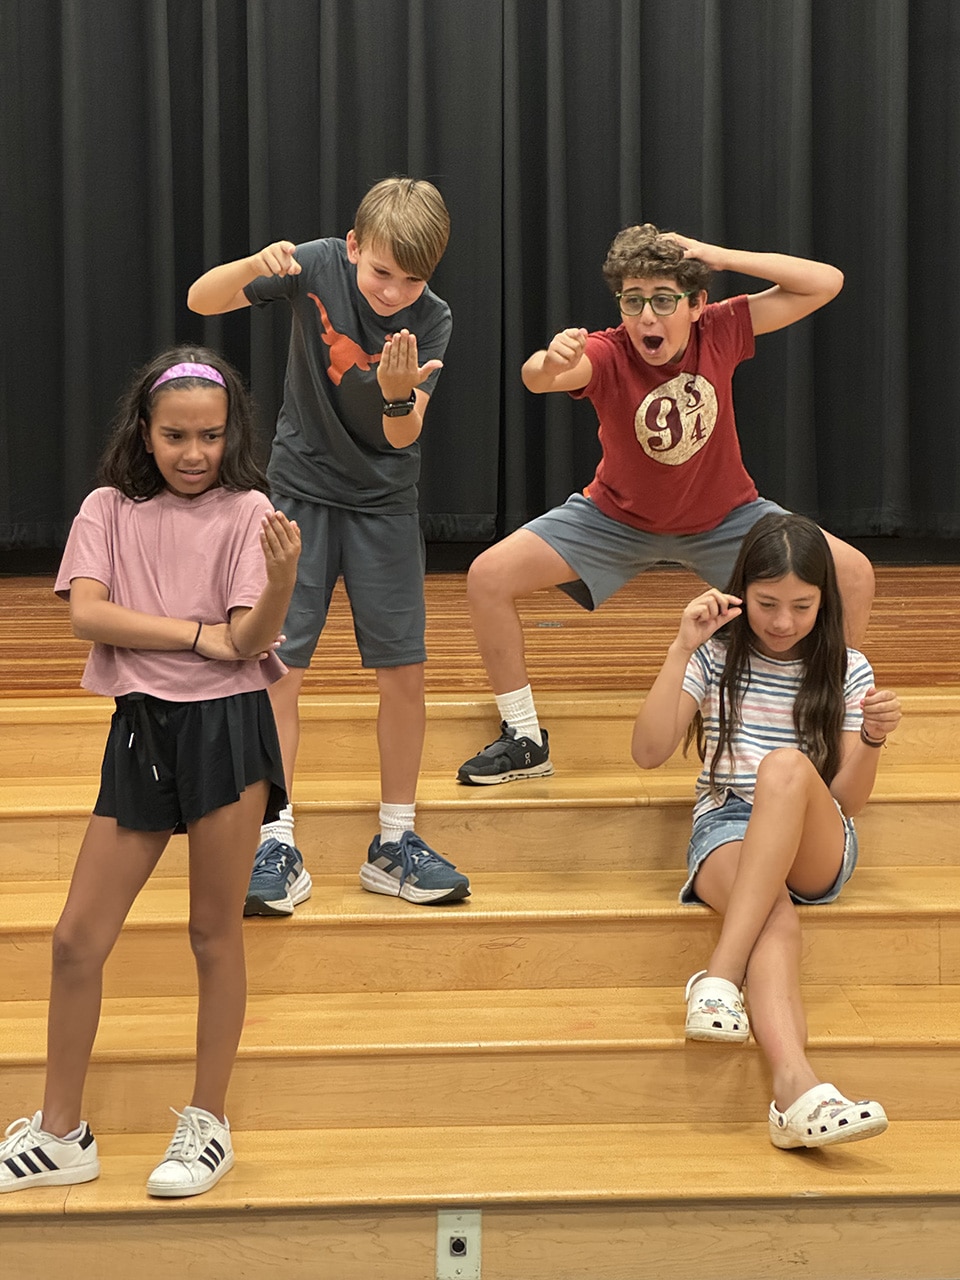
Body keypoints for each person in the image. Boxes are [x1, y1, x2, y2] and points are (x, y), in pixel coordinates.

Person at [0, 347, 301, 1197]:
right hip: (141, 730)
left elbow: (250, 641)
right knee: (76, 939)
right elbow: (88, 616)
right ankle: (61, 1133)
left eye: (211, 435)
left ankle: (209, 1125)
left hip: (227, 730)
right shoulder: (107, 509)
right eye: (176, 436)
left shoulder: (250, 511)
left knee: (213, 933)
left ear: (231, 433)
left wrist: (279, 583)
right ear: (145, 431)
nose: (194, 453)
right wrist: (197, 635)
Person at [457, 223, 875, 785]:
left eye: (663, 299)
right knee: (487, 576)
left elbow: (825, 282)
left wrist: (718, 254)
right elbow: (538, 379)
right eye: (632, 300)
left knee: (853, 573)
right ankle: (525, 737)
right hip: (616, 519)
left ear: (696, 304)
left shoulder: (720, 328)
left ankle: (816, 715)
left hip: (727, 518)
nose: (646, 316)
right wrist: (551, 362)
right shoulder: (607, 351)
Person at [187, 176, 470, 911]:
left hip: (384, 507)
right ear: (351, 247)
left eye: (413, 281)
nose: (394, 293)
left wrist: (399, 394)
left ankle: (395, 842)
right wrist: (253, 263)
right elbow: (201, 300)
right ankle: (274, 838)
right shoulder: (312, 265)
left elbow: (402, 434)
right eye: (381, 272)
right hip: (299, 498)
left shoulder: (433, 320)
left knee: (403, 672)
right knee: (279, 669)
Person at [631, 512, 898, 1148]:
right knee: (772, 914)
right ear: (740, 593)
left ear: (824, 601)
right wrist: (681, 648)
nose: (783, 622)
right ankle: (796, 1090)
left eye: (802, 606)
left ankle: (717, 978)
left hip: (814, 834)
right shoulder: (714, 655)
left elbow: (846, 802)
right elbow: (648, 752)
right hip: (727, 824)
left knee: (784, 767)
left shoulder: (847, 667)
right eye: (767, 603)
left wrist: (872, 739)